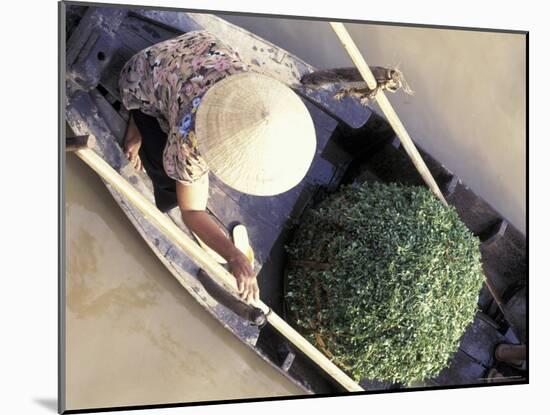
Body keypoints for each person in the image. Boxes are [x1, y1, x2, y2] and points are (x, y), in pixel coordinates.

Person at [118, 30, 316, 304]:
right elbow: (192, 212)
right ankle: (136, 118)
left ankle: (149, 113)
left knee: (183, 144)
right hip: (138, 79)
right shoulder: (191, 141)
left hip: (196, 49)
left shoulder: (253, 90)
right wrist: (234, 256)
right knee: (172, 195)